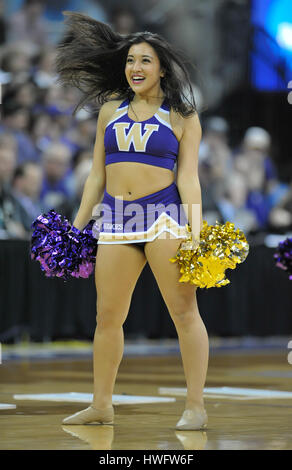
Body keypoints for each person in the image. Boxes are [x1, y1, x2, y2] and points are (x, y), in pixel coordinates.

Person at [56, 11, 208, 430]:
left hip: (163, 218)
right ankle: (102, 404)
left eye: (144, 61)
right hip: (117, 221)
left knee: (184, 313)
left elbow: (189, 179)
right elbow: (96, 175)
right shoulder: (109, 110)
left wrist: (197, 234)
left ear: (161, 68)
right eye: (130, 61)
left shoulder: (182, 114)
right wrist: (77, 225)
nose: (135, 68)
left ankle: (195, 405)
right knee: (108, 317)